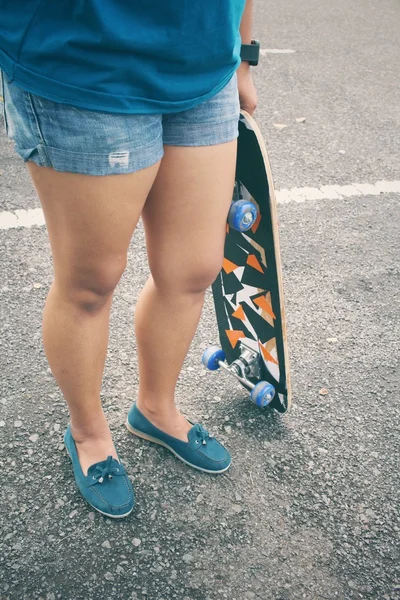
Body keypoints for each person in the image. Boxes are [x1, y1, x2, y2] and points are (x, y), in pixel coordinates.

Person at [0, 0, 258, 518]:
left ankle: (156, 409)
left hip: (206, 63)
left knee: (193, 270)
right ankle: (89, 432)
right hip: (82, 66)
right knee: (90, 282)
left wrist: (244, 56)